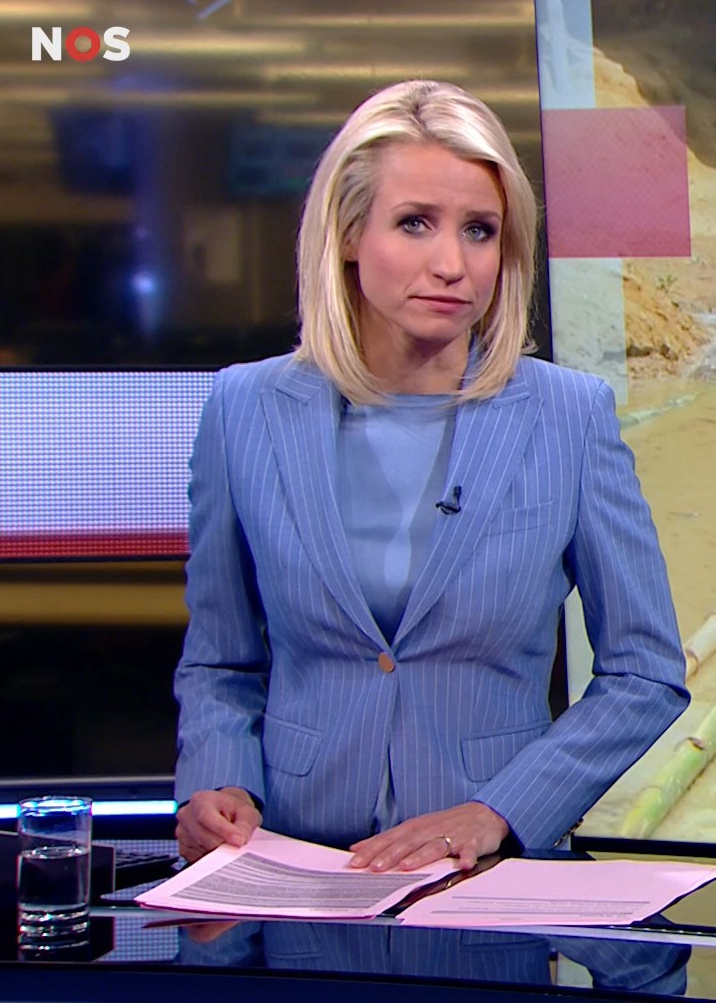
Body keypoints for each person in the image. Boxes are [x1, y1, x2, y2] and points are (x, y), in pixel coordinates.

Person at [173, 80, 689, 873]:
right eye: (415, 223)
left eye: (480, 231)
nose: (452, 264)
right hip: (292, 862)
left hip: (490, 873)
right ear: (349, 233)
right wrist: (217, 781)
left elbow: (644, 673)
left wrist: (499, 812)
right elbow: (221, 660)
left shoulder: (568, 416)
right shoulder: (245, 408)